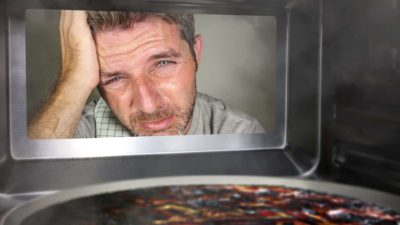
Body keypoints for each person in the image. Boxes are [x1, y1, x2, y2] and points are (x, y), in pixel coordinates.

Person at [28, 10, 265, 138]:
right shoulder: (72, 132)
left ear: (196, 54)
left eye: (162, 63)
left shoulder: (237, 133)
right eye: (115, 78)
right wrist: (73, 81)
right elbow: (24, 187)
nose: (149, 106)